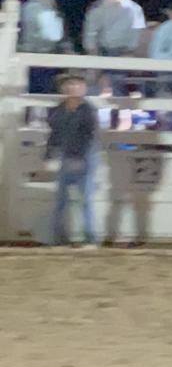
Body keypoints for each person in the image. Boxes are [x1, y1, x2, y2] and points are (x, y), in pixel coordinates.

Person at [45, 73, 100, 248]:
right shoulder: (58, 111)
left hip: (84, 156)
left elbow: (88, 137)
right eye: (70, 84)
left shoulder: (88, 111)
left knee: (84, 199)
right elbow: (54, 135)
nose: (73, 88)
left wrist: (78, 158)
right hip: (68, 156)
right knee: (62, 200)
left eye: (77, 84)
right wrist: (48, 156)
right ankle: (58, 237)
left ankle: (90, 237)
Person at [19, 0, 70, 94]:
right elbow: (53, 35)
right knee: (38, 95)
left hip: (44, 59)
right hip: (36, 59)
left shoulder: (48, 9)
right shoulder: (34, 8)